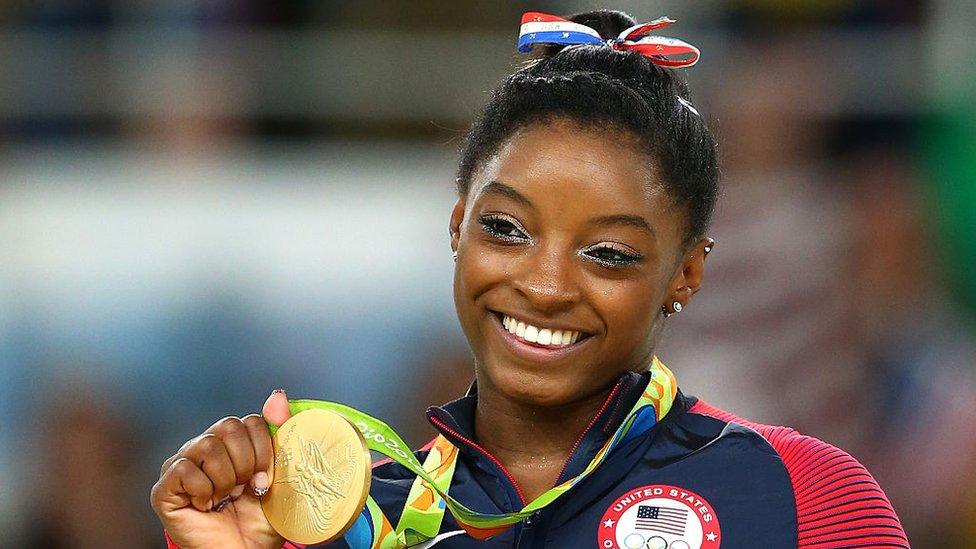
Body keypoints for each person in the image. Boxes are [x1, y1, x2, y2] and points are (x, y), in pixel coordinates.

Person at [150, 10, 909, 549]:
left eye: (608, 252)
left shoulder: (801, 499)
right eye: (506, 229)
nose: (545, 285)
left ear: (687, 273)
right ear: (457, 228)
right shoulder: (342, 520)